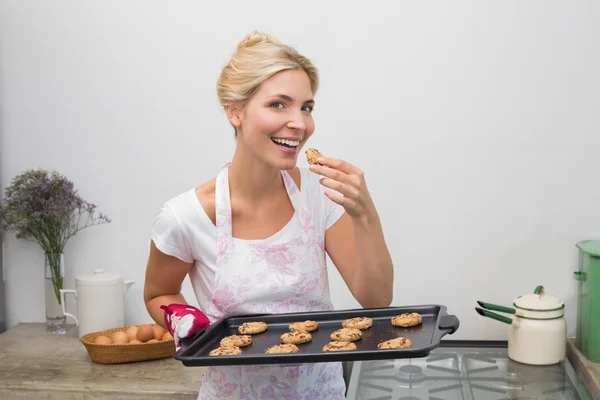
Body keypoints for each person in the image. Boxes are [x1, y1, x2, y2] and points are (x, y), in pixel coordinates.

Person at [143, 30, 394, 400]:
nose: (300, 123)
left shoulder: (317, 195)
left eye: (306, 107)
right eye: (279, 104)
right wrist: (179, 314)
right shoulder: (186, 216)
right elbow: (159, 293)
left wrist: (365, 213)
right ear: (235, 111)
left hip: (321, 393)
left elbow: (376, 300)